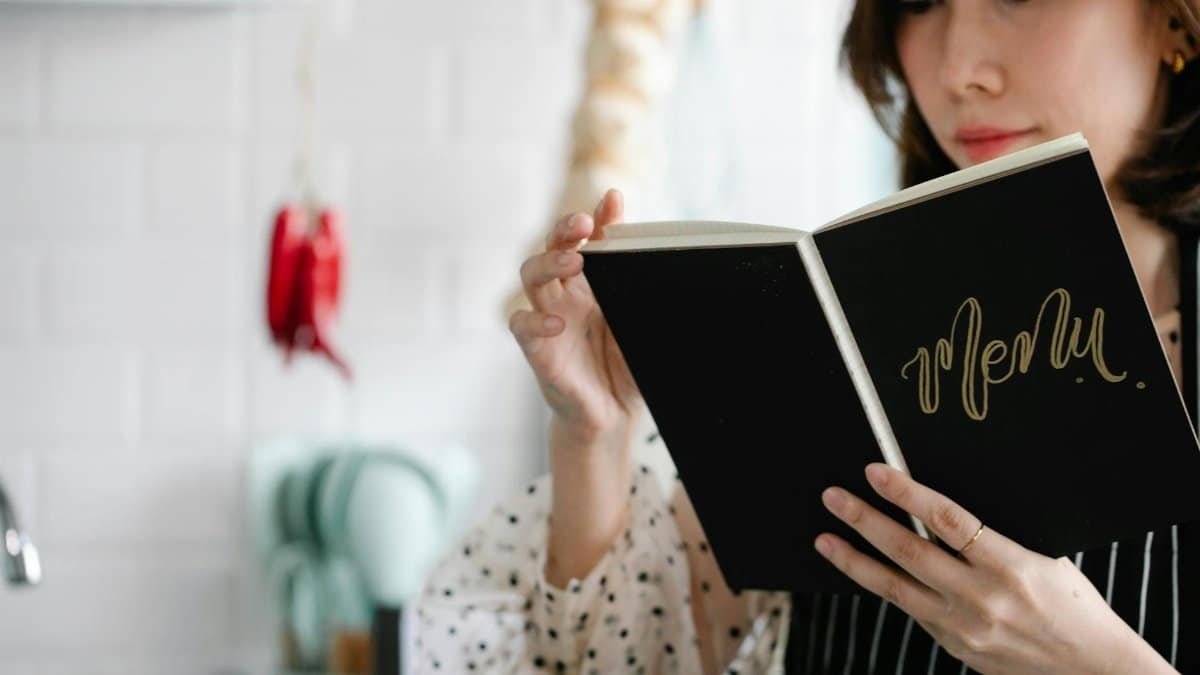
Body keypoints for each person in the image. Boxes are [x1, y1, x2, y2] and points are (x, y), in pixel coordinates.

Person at [411, 0, 1200, 672]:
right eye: (918, 2)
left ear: (1175, 21)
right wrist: (596, 436)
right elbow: (633, 654)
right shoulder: (833, 329)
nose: (959, 68)